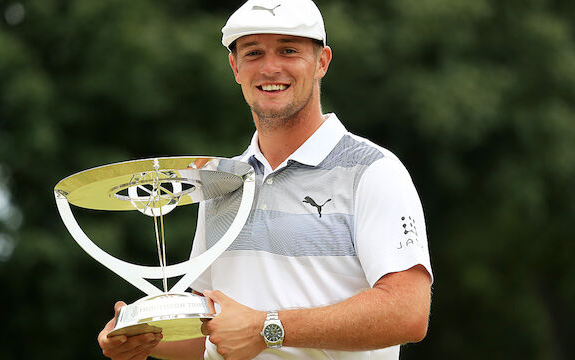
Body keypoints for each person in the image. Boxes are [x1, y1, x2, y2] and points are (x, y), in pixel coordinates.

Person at [98, 0, 433, 359]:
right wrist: (142, 337)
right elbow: (215, 333)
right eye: (254, 53)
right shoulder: (221, 184)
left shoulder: (374, 171)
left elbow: (408, 313)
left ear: (322, 62)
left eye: (288, 51)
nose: (270, 67)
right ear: (235, 67)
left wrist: (267, 328)